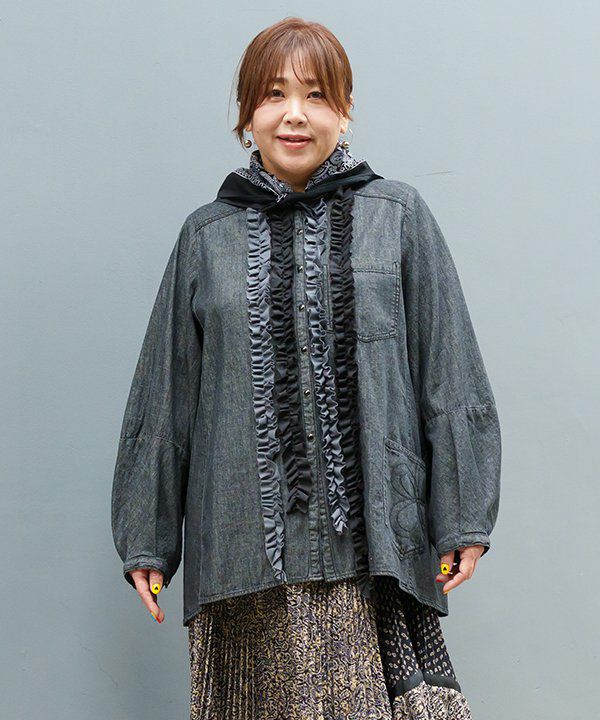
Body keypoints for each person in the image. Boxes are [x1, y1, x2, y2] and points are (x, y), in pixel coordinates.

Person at [111, 15, 501, 720]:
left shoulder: (398, 217)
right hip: (241, 553)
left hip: (372, 548)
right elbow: (164, 398)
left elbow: (450, 373)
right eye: (274, 95)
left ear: (345, 112)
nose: (295, 114)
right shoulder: (206, 237)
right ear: (246, 117)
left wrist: (463, 516)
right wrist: (146, 536)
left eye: (316, 95)